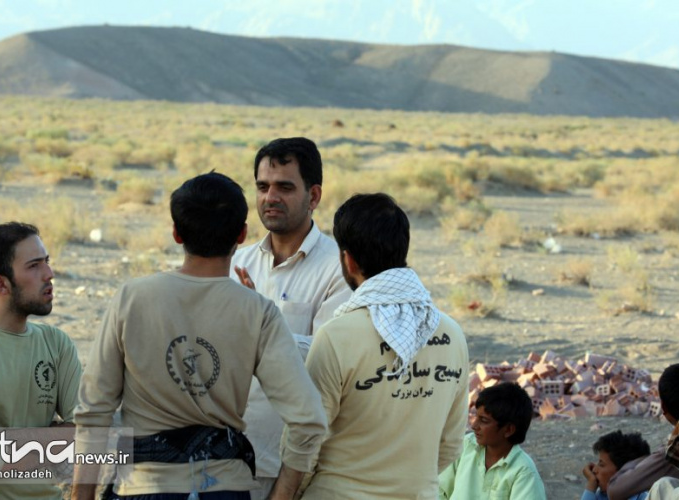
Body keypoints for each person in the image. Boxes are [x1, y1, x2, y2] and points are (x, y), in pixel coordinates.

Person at [72, 173, 327, 500]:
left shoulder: (132, 299)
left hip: (144, 486)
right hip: (224, 489)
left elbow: (94, 410)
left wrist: (81, 494)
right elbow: (309, 421)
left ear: (177, 234)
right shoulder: (258, 312)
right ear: (242, 234)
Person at [299, 193, 469, 499]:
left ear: (347, 259)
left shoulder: (337, 336)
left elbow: (305, 440)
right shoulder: (452, 333)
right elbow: (452, 444)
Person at [230, 137, 350, 498]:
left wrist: (261, 320)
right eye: (263, 187)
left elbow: (328, 361)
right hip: (223, 455)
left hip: (287, 465)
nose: (270, 197)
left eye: (285, 187)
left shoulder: (339, 269)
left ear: (313, 197)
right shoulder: (237, 262)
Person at [0, 222, 82, 499]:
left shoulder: (56, 343)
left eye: (47, 262)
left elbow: (94, 438)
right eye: (34, 266)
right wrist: (57, 437)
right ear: (1, 284)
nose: (49, 274)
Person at [438, 383, 546, 500]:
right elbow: (439, 491)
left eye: (484, 420)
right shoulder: (466, 446)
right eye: (476, 417)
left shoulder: (524, 472)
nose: (474, 425)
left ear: (509, 430)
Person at [606, 363, 679, 499]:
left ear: (663, 408)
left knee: (661, 487)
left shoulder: (677, 449)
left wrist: (637, 461)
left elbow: (615, 489)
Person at [581, 431, 651, 500]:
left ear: (624, 472)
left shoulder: (646, 498)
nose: (594, 470)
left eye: (601, 465)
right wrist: (591, 486)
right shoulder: (600, 496)